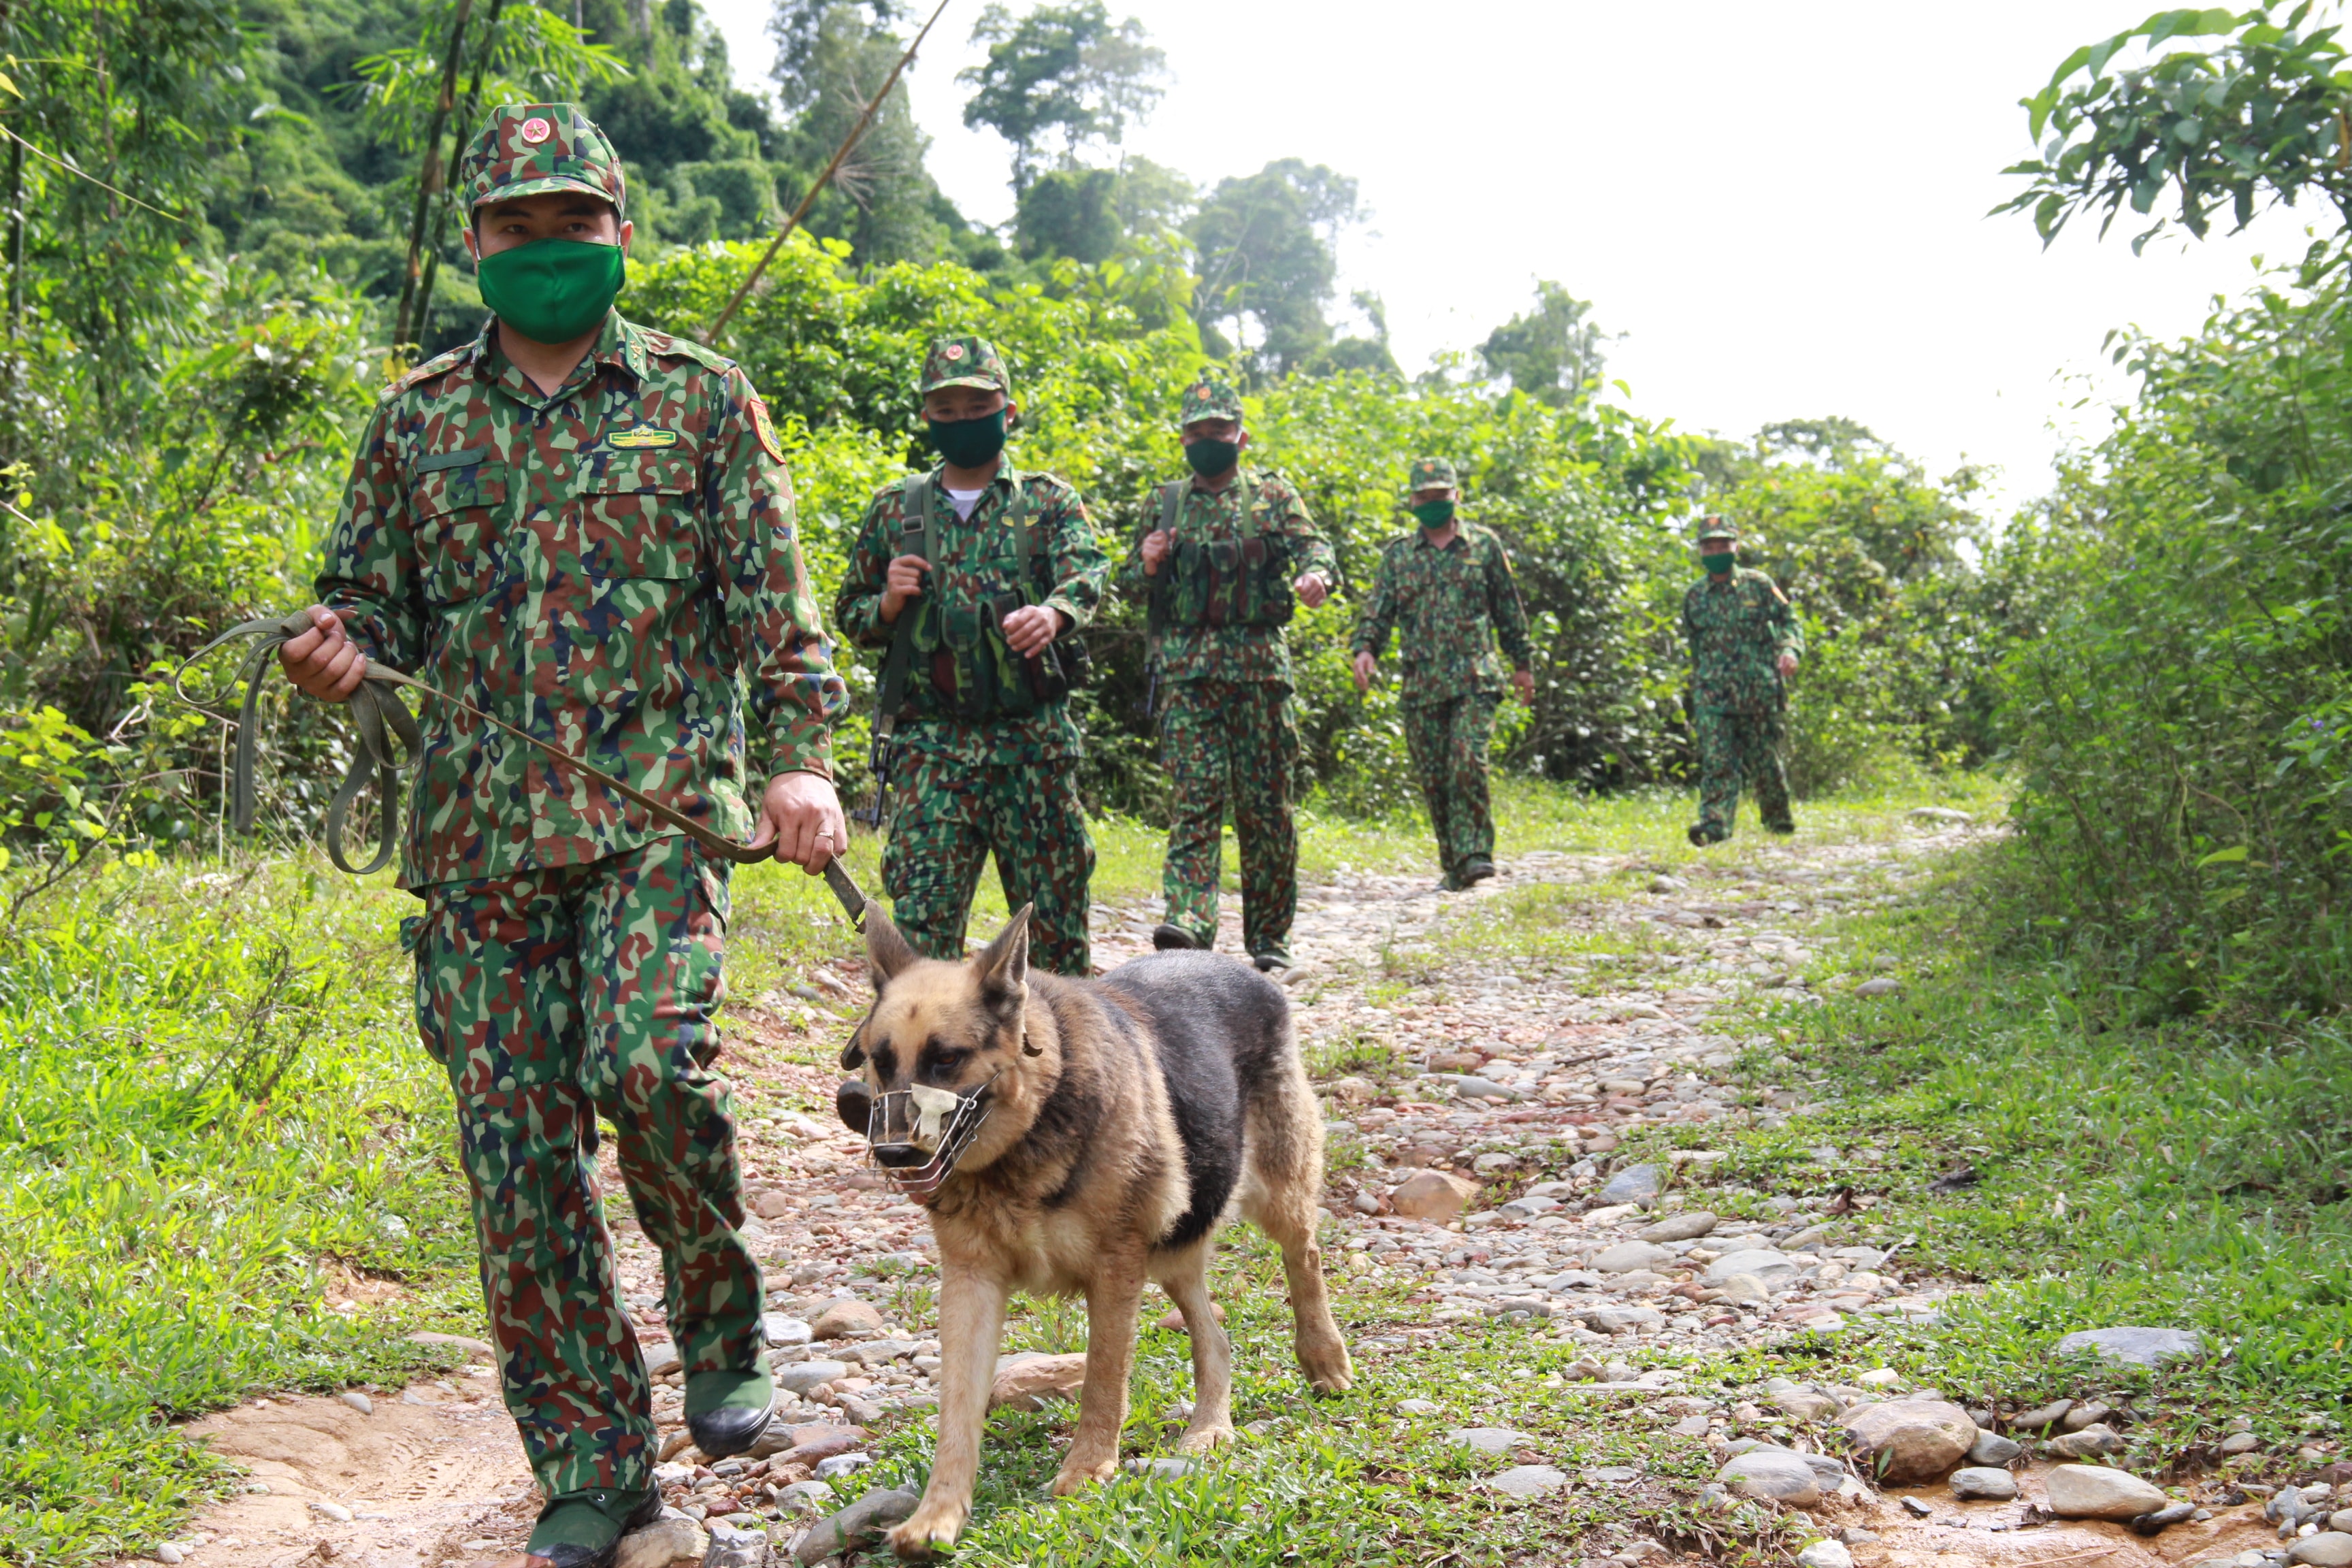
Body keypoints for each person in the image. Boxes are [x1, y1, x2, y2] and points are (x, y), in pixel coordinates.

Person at [274, 104, 849, 1568]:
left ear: (618, 235)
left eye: (570, 224)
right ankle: (592, 1471)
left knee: (651, 1066)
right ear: (475, 244)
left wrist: (801, 766)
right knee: (518, 1165)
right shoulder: (415, 418)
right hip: (477, 842)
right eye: (515, 227)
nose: (544, 250)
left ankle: (720, 1329)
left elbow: (774, 613)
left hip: (658, 817)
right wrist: (337, 646)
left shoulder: (706, 401)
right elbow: (375, 602)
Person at [833, 335, 1108, 977]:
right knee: (920, 940)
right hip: (931, 750)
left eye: (977, 408)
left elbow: (1088, 575)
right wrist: (889, 604)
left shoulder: (1046, 504)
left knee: (1055, 936)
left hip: (1032, 746)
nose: (962, 422)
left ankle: (1066, 1073)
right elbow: (850, 615)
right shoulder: (896, 509)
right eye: (947, 410)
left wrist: (1053, 613)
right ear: (927, 417)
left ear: (1007, 411)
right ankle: (918, 1073)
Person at [1117, 370, 1335, 970]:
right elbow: (1129, 583)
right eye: (1198, 430)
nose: (1209, 438)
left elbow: (1316, 547)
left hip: (1261, 674)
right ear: (1183, 439)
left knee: (1266, 809)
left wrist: (1317, 577)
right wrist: (1147, 562)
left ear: (1241, 437)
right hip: (1188, 677)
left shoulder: (1273, 496)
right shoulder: (1163, 503)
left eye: (1220, 429)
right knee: (1195, 803)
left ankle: (1269, 938)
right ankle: (1189, 923)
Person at [1351, 457, 1533, 891]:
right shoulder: (1398, 556)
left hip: (1476, 677)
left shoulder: (1484, 546)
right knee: (1434, 776)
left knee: (1467, 761)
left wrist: (1523, 664)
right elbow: (1379, 611)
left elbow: (1509, 609)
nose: (1433, 503)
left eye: (1441, 495)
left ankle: (1476, 855)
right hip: (1422, 684)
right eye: (1425, 496)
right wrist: (1365, 650)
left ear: (1456, 496)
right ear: (1412, 501)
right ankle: (1454, 863)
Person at [1681, 515, 1803, 845]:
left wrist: (1790, 651)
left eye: (1724, 544)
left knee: (1766, 763)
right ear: (1701, 550)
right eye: (1710, 545)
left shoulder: (1759, 585)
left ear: (1736, 546)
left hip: (1758, 692)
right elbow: (1695, 648)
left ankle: (1779, 824)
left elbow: (1790, 622)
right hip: (1714, 696)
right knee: (1718, 762)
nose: (1717, 550)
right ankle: (1714, 827)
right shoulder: (1694, 597)